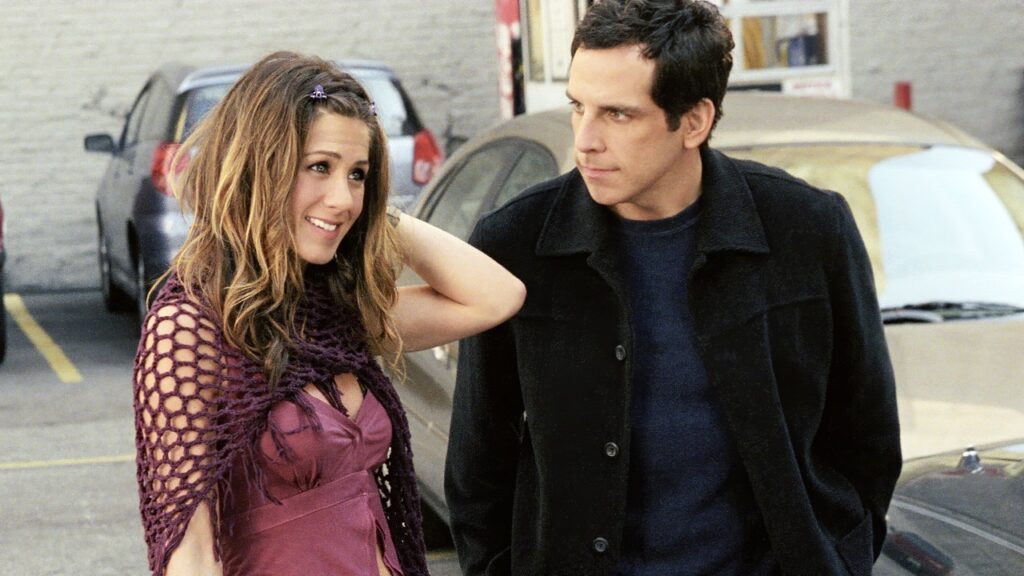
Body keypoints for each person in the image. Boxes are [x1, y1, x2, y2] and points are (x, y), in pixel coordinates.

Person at [444, 1, 901, 575]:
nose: (585, 140)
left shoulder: (807, 231)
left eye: (618, 114)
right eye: (578, 107)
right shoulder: (515, 245)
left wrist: (841, 558)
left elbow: (866, 434)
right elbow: (478, 464)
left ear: (694, 121)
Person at [132, 51, 525, 576]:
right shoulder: (187, 330)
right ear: (259, 168)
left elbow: (496, 296)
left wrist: (375, 210)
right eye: (319, 166)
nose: (343, 198)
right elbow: (191, 556)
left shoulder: (338, 316)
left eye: (357, 174)